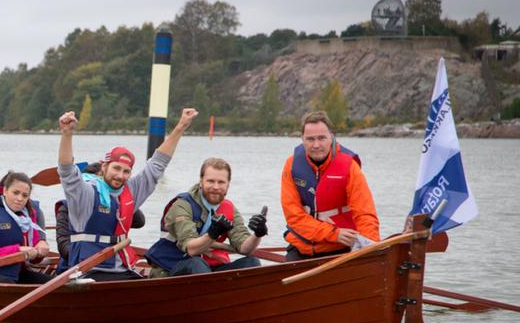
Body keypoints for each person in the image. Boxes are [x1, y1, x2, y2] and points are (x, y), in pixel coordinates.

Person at [57, 108, 198, 281]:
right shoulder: (85, 192)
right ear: (104, 166)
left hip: (121, 266)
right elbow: (66, 171)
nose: (120, 175)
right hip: (88, 268)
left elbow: (157, 164)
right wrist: (67, 134)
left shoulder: (130, 191)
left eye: (126, 171)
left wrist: (181, 126)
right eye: (116, 168)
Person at [282, 111, 380, 261]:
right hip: (302, 247)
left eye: (321, 138)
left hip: (339, 249)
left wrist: (371, 250)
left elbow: (365, 213)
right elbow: (294, 217)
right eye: (310, 139)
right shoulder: (292, 165)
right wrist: (334, 233)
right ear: (302, 139)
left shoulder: (349, 166)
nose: (316, 145)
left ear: (332, 137)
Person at [145, 158, 267, 277]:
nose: (215, 187)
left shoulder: (229, 208)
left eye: (221, 182)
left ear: (228, 184)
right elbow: (191, 249)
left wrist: (258, 234)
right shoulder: (182, 205)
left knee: (252, 263)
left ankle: (224, 294)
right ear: (201, 181)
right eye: (210, 181)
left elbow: (244, 248)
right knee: (197, 264)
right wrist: (212, 233)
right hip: (172, 266)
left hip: (208, 269)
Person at [53, 161, 145, 273]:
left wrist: (121, 198)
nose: (101, 189)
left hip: (113, 263)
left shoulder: (117, 204)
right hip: (75, 267)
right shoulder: (67, 208)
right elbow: (64, 246)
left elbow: (140, 221)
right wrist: (90, 251)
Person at [0, 171, 52, 284]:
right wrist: (18, 250)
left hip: (17, 272)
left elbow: (33, 259)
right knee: (9, 285)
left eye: (24, 195)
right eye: (15, 193)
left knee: (54, 284)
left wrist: (40, 251)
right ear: (5, 191)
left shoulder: (26, 217)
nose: (20, 198)